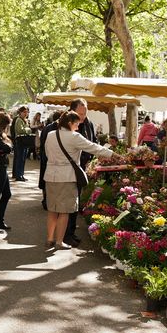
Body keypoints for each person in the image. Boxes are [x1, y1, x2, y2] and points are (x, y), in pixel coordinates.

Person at [44, 111, 119, 249]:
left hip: (50, 175)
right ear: (69, 123)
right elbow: (93, 147)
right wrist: (113, 154)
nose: (78, 127)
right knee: (65, 211)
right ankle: (59, 241)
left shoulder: (50, 135)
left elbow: (47, 153)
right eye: (76, 124)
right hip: (66, 176)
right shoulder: (74, 137)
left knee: (52, 209)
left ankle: (49, 239)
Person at [64, 98, 97, 245]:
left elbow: (93, 142)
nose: (83, 117)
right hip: (71, 169)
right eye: (80, 113)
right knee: (70, 202)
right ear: (72, 112)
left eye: (85, 113)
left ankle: (71, 232)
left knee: (76, 201)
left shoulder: (88, 123)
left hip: (83, 167)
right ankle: (66, 234)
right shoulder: (66, 126)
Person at [39, 111, 62, 210]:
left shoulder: (46, 128)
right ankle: (49, 201)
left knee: (45, 179)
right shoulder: (56, 129)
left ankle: (45, 200)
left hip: (45, 156)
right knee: (50, 180)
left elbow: (42, 142)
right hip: (51, 158)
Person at [11, 106, 32, 181]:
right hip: (20, 142)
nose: (26, 113)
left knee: (23, 159)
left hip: (24, 142)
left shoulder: (25, 120)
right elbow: (20, 130)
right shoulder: (19, 120)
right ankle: (18, 175)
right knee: (20, 159)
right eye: (24, 112)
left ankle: (21, 174)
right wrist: (28, 129)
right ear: (20, 112)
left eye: (27, 112)